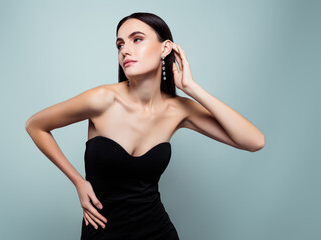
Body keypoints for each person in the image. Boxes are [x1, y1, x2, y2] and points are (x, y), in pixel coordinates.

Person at [25, 12, 265, 240]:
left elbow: (254, 141)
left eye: (136, 39)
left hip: (157, 231)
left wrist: (192, 88)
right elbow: (35, 125)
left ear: (165, 47)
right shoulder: (102, 100)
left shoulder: (179, 110)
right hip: (101, 231)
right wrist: (78, 181)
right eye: (120, 45)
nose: (125, 51)